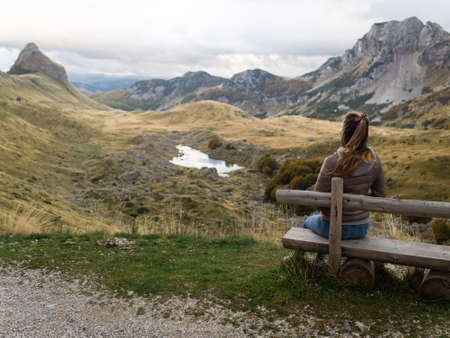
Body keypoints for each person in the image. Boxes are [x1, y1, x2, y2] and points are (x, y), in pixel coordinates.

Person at [301, 111, 386, 262]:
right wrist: (359, 207)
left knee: (308, 222)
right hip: (361, 227)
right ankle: (319, 260)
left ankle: (297, 259)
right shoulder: (375, 161)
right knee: (321, 224)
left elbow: (318, 200)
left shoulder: (333, 161)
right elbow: (380, 196)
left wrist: (329, 214)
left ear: (344, 133)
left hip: (335, 228)